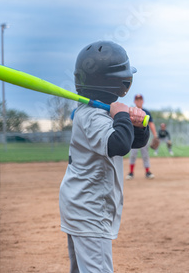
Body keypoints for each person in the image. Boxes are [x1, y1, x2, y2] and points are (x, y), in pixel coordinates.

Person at [59, 41, 149, 273]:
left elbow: (133, 141)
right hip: (89, 208)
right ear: (118, 84)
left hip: (81, 203)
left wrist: (137, 125)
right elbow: (118, 144)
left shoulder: (98, 111)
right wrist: (121, 116)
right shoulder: (92, 116)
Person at [126, 94, 158, 180]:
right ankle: (131, 173)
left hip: (144, 138)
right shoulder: (131, 111)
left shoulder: (146, 112)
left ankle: (147, 172)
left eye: (140, 100)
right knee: (132, 155)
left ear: (143, 101)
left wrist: (155, 135)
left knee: (145, 155)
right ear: (134, 101)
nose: (139, 101)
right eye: (137, 100)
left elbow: (151, 123)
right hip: (133, 138)